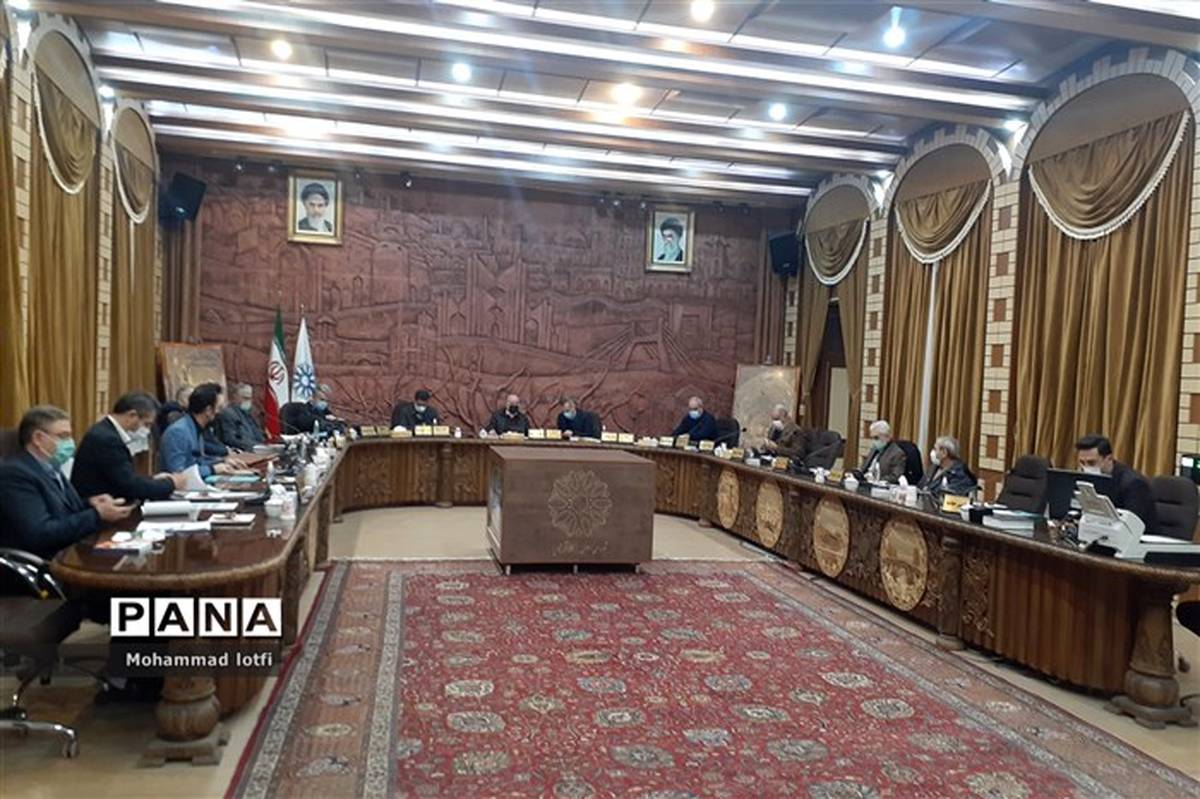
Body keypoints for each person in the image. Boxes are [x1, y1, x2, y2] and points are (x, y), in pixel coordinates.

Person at [0, 406, 133, 558]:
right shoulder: (15, 474)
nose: (70, 442)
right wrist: (97, 514)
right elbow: (41, 533)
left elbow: (61, 511)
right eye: (63, 436)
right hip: (44, 561)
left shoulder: (51, 466)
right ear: (38, 438)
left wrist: (91, 503)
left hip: (70, 551)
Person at [72, 392, 186, 502]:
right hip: (98, 508)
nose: (147, 431)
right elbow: (129, 486)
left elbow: (123, 477)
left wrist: (154, 480)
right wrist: (171, 483)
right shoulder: (107, 439)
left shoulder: (105, 431)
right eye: (146, 424)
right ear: (132, 415)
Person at [159, 383, 247, 478]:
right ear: (208, 410)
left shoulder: (196, 427)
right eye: (219, 408)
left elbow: (198, 460)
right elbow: (178, 473)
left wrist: (222, 461)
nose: (220, 412)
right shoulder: (178, 432)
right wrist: (212, 469)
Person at [1075, 434, 1157, 533]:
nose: (1086, 468)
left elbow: (1130, 525)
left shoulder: (1134, 484)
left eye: (1091, 463)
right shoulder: (1090, 478)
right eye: (1082, 463)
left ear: (1109, 458)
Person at [214, 383, 265, 451]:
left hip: (258, 450)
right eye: (245, 398)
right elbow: (231, 439)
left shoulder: (248, 413)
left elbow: (258, 434)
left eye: (250, 398)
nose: (249, 401)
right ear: (235, 397)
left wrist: (265, 446)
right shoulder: (228, 414)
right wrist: (255, 447)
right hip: (245, 451)